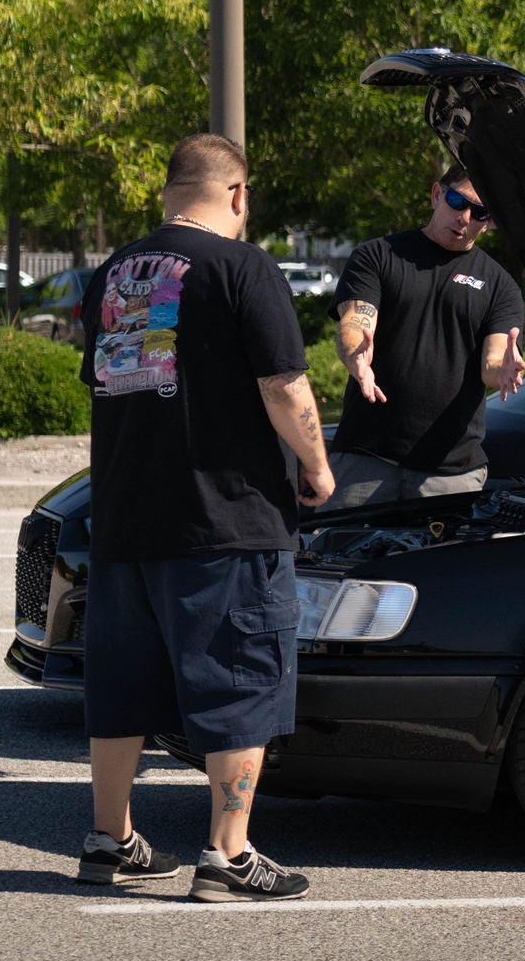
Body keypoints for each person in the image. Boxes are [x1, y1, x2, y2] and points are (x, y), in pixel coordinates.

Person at [73, 134, 335, 903]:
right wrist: (317, 469)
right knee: (239, 681)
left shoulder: (113, 272)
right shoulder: (242, 266)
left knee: (121, 685)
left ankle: (110, 840)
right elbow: (284, 385)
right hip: (224, 517)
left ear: (167, 191)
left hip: (125, 515)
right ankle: (227, 854)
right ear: (238, 195)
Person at [328, 160, 525, 509]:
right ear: (437, 194)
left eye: (480, 212)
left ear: (490, 222)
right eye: (457, 201)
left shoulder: (500, 285)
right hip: (365, 458)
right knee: (342, 559)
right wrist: (355, 354)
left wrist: (505, 371)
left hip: (451, 472)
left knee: (440, 564)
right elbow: (357, 320)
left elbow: (492, 363)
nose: (465, 217)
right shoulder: (378, 256)